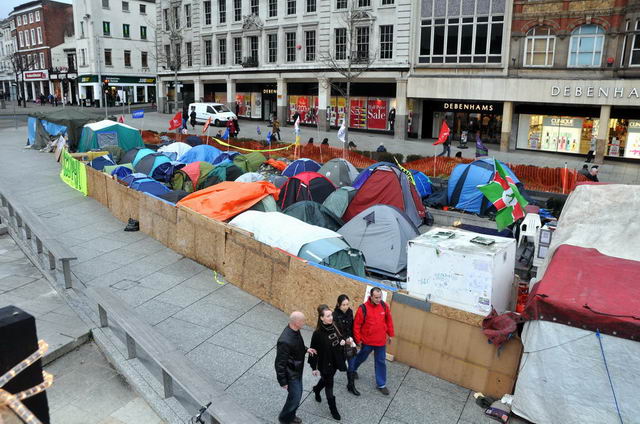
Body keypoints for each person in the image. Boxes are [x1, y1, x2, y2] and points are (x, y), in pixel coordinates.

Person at [350, 287, 394, 395]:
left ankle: (381, 384)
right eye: (376, 297)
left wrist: (390, 334)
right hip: (367, 341)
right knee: (361, 357)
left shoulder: (384, 306)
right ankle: (352, 369)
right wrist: (358, 340)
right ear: (371, 296)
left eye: (380, 297)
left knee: (381, 361)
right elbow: (356, 325)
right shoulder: (363, 308)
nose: (379, 300)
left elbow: (389, 320)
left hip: (380, 341)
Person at [275, 311, 316, 424]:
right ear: (296, 322)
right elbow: (279, 363)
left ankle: (290, 415)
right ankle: (284, 418)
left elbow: (297, 346)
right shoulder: (284, 340)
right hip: (291, 374)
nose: (304, 322)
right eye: (303, 321)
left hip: (296, 371)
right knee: (295, 397)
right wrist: (283, 381)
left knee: (296, 395)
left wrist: (306, 349)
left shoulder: (295, 330)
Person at [309, 305, 346, 421]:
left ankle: (316, 389)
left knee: (326, 380)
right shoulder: (317, 334)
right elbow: (313, 351)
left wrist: (343, 341)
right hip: (325, 364)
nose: (331, 318)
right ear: (321, 318)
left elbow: (340, 336)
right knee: (329, 387)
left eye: (331, 315)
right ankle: (333, 409)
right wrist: (313, 368)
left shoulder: (335, 325)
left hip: (335, 361)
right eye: (328, 316)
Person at [333, 295, 359, 396]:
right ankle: (319, 386)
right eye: (343, 305)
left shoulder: (350, 312)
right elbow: (335, 332)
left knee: (351, 365)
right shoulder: (334, 315)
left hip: (349, 343)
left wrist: (353, 340)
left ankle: (351, 385)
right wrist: (344, 339)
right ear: (338, 304)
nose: (345, 307)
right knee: (333, 368)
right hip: (340, 345)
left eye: (347, 304)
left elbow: (352, 327)